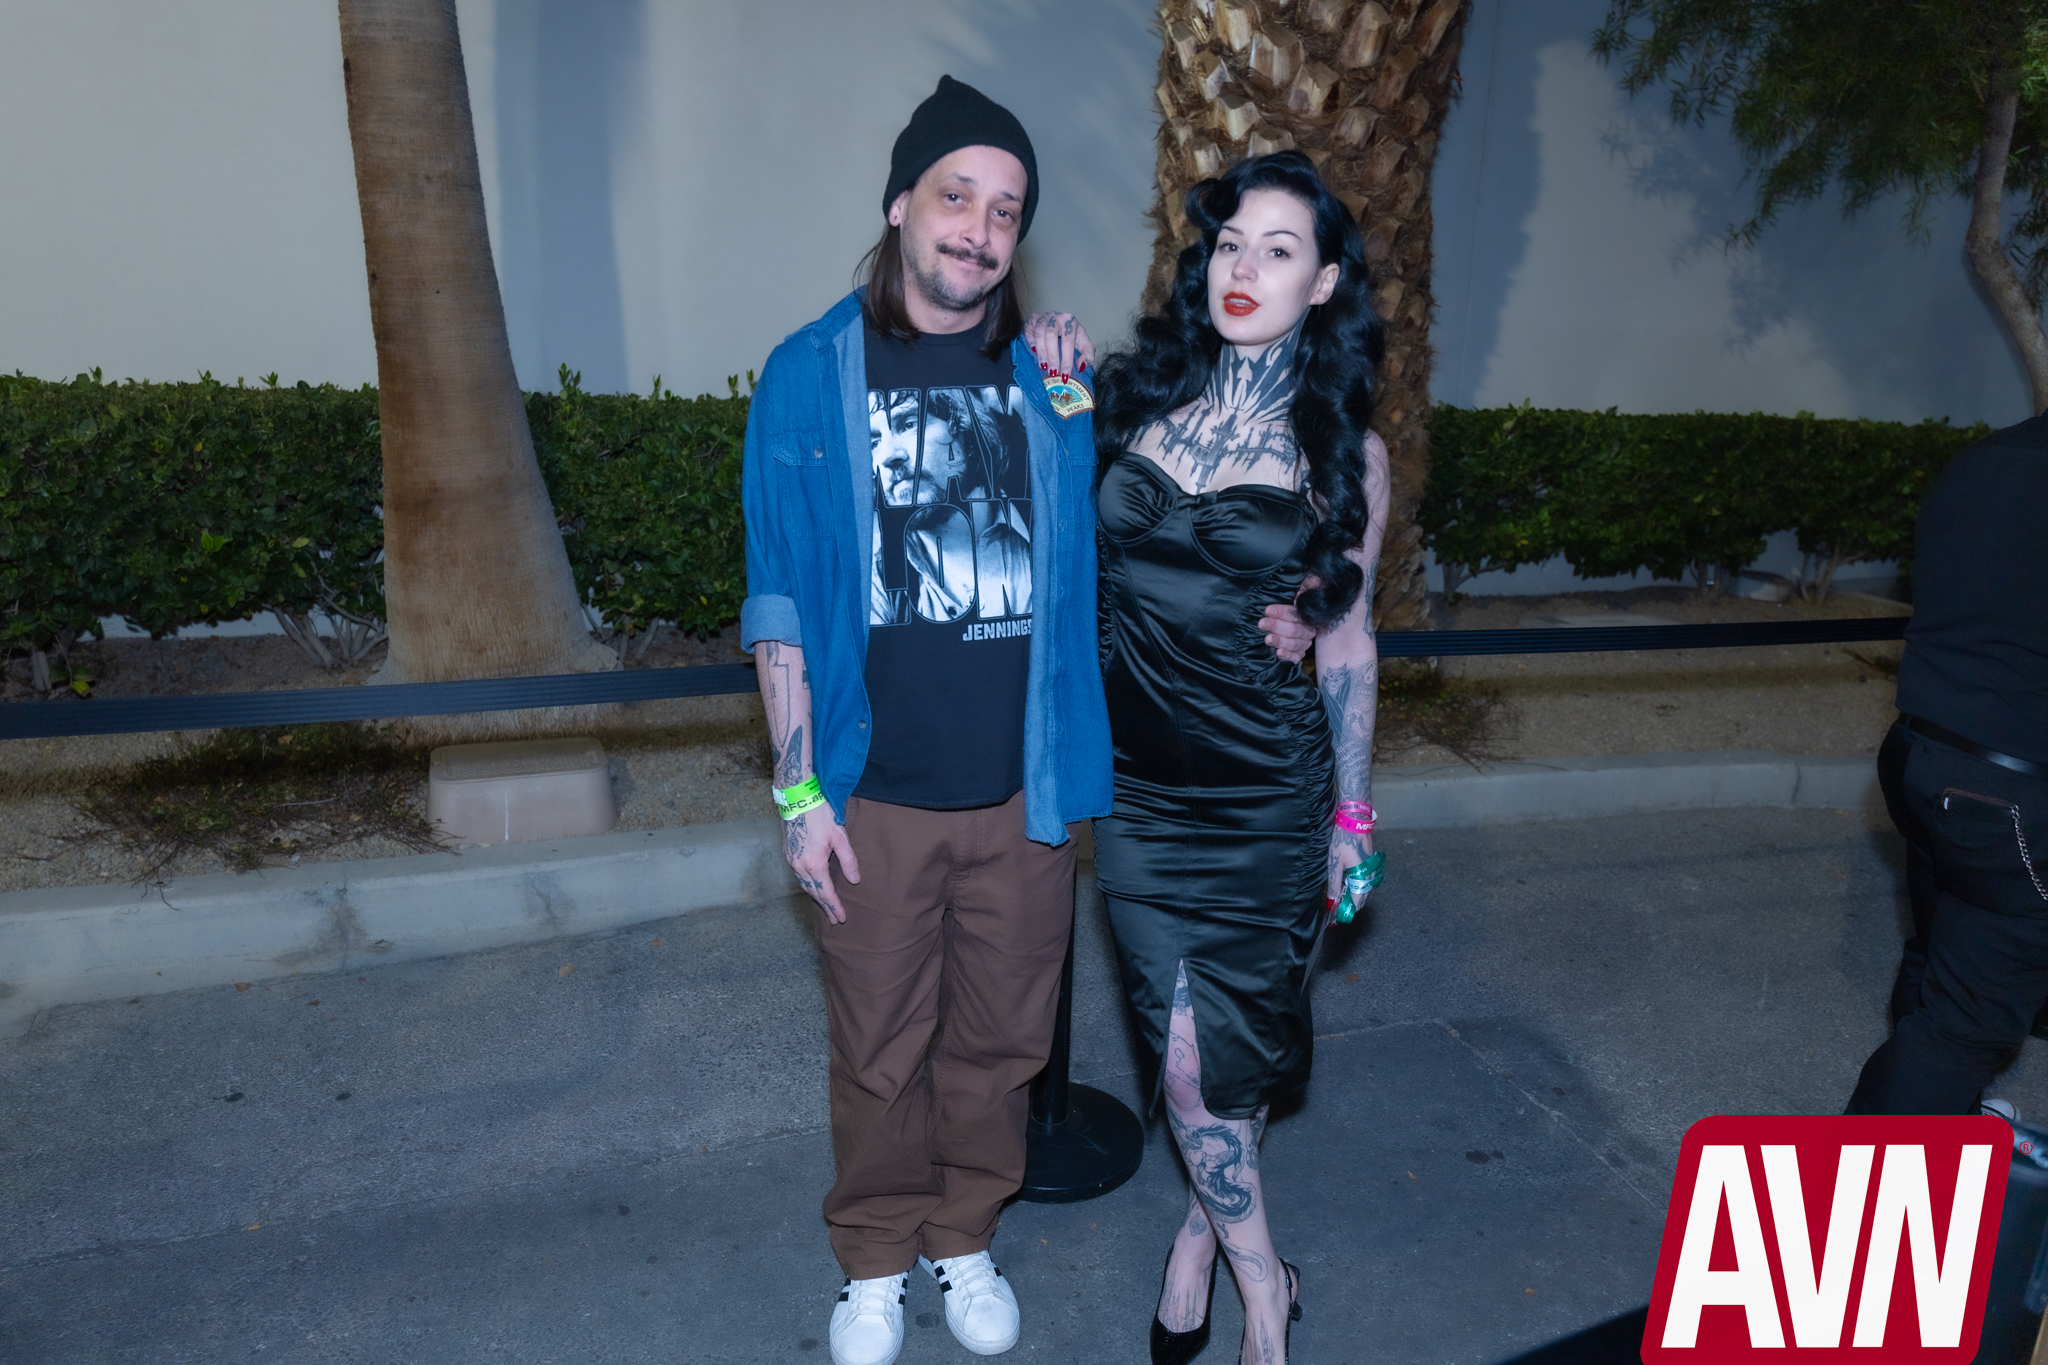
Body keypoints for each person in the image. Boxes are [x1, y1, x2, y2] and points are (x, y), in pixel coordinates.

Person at [739, 78, 1318, 1365]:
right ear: (900, 205)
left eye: (1006, 210)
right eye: (956, 195)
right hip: (870, 792)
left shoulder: (1050, 383)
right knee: (878, 1045)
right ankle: (873, 1260)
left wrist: (1297, 612)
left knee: (1000, 1043)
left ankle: (962, 1236)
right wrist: (797, 793)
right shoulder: (805, 376)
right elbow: (777, 599)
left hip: (1027, 795)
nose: (979, 228)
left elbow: (1158, 534)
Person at [1089, 150, 1389, 1365]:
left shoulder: (1341, 454)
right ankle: (1263, 1275)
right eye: (1228, 244)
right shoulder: (1132, 405)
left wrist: (1352, 818)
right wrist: (1049, 368)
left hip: (1265, 795)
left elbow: (1349, 642)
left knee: (1219, 1055)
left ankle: (1226, 1275)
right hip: (1135, 795)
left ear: (1321, 283)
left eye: (1277, 249)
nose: (1243, 268)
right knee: (1187, 1057)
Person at [1845, 410, 2048, 1117]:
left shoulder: (1986, 459)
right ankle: (1866, 1187)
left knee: (1938, 961)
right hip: (2011, 789)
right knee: (1964, 1027)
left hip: (1922, 753)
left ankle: (1943, 1146)